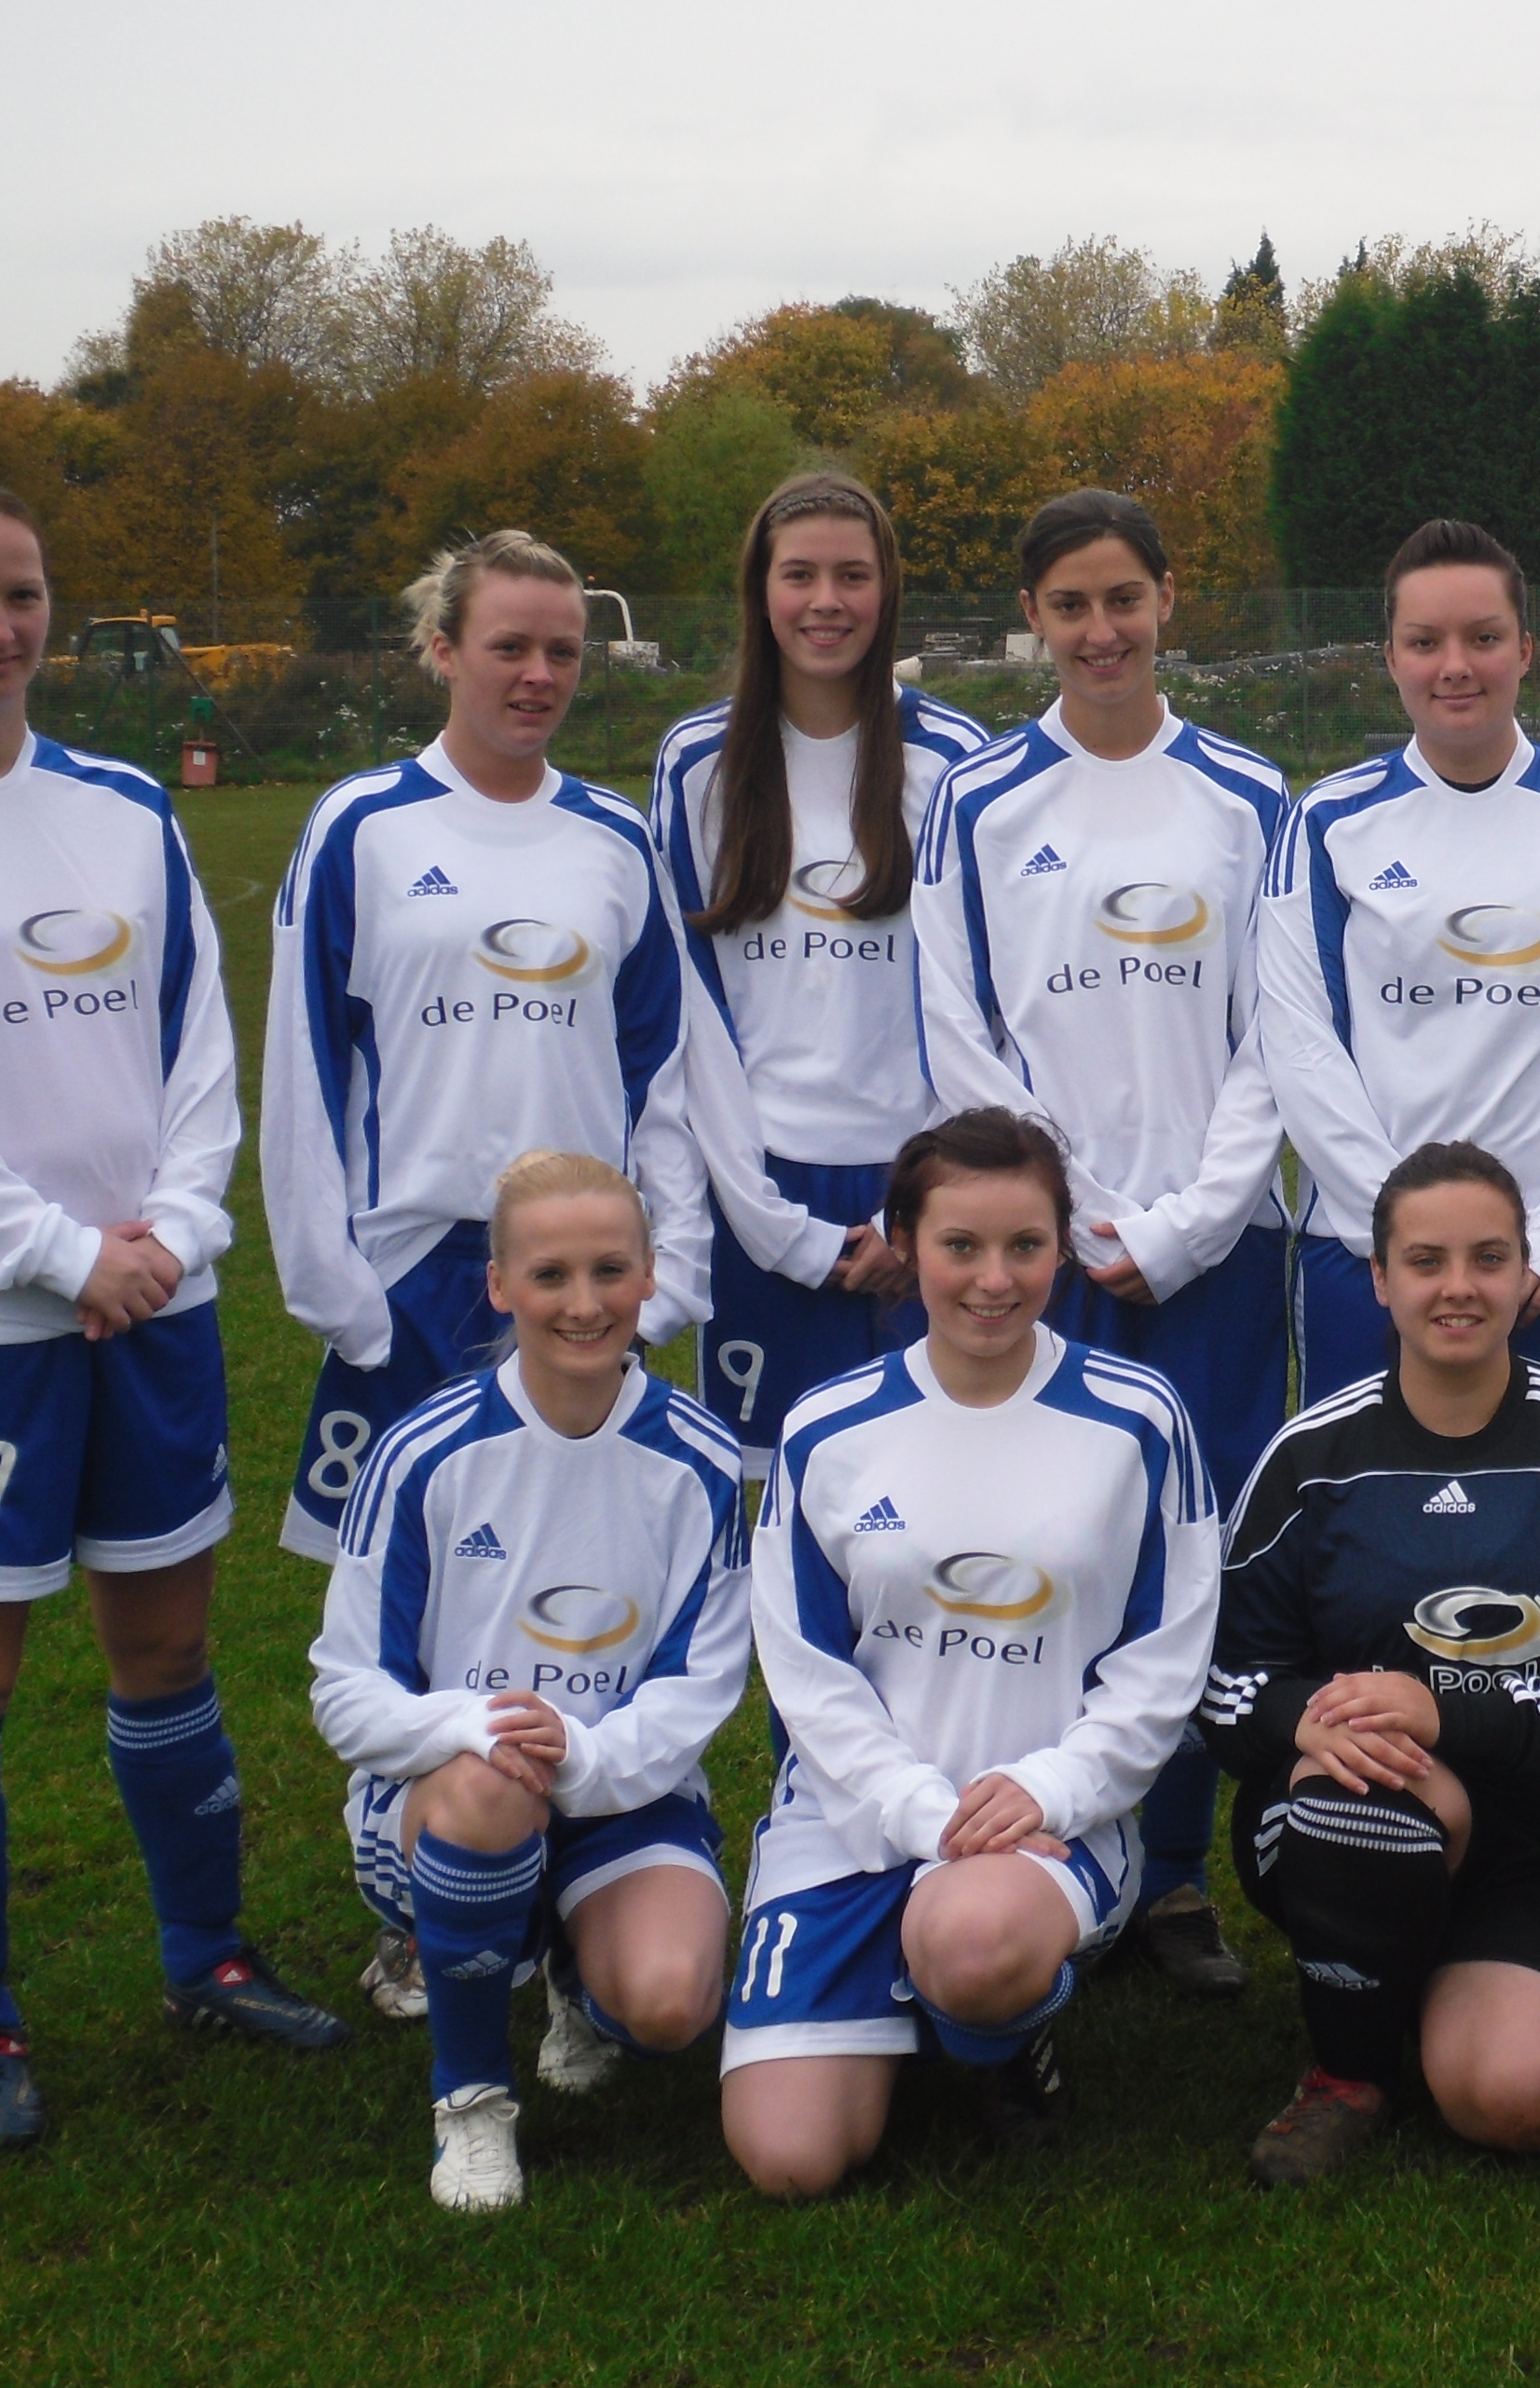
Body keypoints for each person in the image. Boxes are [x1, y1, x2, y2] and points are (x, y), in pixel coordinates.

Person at [0, 473, 345, 2149]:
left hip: (150, 1298)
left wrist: (167, 1229)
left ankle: (209, 1961)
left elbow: (195, 1047)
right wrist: (59, 1252)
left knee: (166, 1648)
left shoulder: (122, 805)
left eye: (21, 594)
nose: (0, 627)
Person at [913, 487, 1290, 2000]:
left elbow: (1284, 1032)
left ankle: (1180, 1876)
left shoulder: (1251, 795)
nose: (1101, 630)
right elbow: (958, 1020)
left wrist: (1190, 1221)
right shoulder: (982, 800)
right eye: (1070, 605)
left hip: (1218, 1252)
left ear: (1168, 599)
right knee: (1046, 1554)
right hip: (1041, 1265)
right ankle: (1053, 1844)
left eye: (1124, 598)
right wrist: (1051, 1227)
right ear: (1037, 621)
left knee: (1191, 1559)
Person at [721, 1109, 1220, 2196]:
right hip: (859, 1818)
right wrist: (912, 1808)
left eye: (1025, 1247)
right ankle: (908, 2004)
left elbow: (1165, 1661)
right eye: (960, 1247)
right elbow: (806, 1669)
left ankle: (995, 2038)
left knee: (973, 1939)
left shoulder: (1140, 1419)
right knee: (789, 2160)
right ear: (904, 1243)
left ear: (1062, 1245)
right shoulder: (827, 1428)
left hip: (1047, 1825)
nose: (994, 1280)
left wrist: (1052, 1786)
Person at [1202, 1141, 1540, 2188]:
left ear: (1526, 1274)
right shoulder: (1309, 1457)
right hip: (1358, 1813)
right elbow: (1221, 1676)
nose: (1458, 1288)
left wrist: (1444, 1714)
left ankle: (1503, 1999)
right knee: (1364, 1784)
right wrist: (1307, 1719)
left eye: (1487, 1259)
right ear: (1379, 1281)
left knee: (1515, 2100)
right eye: (1426, 1262)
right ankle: (1350, 2068)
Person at [307, 1152, 751, 2213]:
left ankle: (573, 1973)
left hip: (620, 1787)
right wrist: (476, 1724)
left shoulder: (702, 1462)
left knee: (668, 2005)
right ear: (500, 1285)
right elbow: (345, 1692)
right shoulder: (424, 1453)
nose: (585, 1303)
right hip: (453, 1794)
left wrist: (582, 1755)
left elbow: (699, 1690)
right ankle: (471, 2103)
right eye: (550, 1275)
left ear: (652, 1276)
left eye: (611, 1270)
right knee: (495, 1787)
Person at [264, 526, 709, 1578]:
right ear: (442, 648)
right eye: (511, 647)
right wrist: (341, 1297)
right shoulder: (360, 826)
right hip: (414, 1272)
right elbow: (300, 1076)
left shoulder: (613, 837)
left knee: (577, 1582)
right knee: (405, 1602)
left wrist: (672, 1276)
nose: (539, 675)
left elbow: (665, 1080)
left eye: (563, 651)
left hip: (583, 1282)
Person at [1255, 520, 1540, 1401]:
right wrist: (1408, 1246)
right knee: (1364, 1532)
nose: (1455, 665)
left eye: (1483, 638)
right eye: (1426, 642)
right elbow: (1300, 1046)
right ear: (1391, 656)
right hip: (1366, 1263)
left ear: (1526, 650)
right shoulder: (1327, 824)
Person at [649, 469, 990, 1477]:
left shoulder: (956, 757)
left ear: (887, 592)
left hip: (920, 1191)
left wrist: (921, 1207)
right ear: (761, 591)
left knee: (933, 1493)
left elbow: (976, 1009)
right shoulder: (695, 762)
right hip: (761, 1193)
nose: (826, 602)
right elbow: (689, 1008)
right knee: (776, 1507)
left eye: (852, 575)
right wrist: (772, 1226)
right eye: (799, 575)